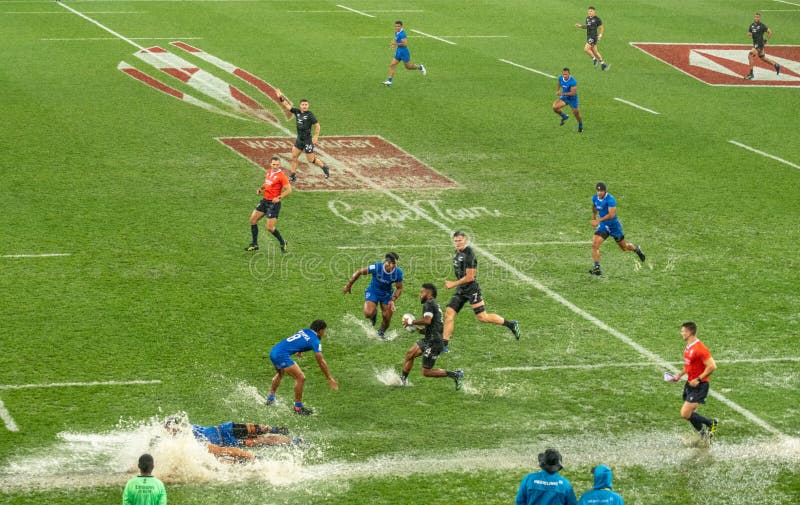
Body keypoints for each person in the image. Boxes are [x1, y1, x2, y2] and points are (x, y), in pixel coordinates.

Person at [443, 231, 520, 350]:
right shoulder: (457, 253)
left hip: (471, 289)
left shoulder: (469, 255)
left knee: (483, 317)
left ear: (465, 240)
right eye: (456, 241)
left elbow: (470, 277)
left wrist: (453, 283)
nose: (457, 243)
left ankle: (511, 325)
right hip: (461, 289)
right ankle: (444, 345)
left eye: (460, 240)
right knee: (449, 313)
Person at [265, 320, 338, 415]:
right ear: (320, 331)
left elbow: (297, 341)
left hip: (274, 351)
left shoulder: (305, 331)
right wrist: (329, 378)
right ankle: (298, 408)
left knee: (281, 373)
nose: (324, 333)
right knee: (300, 377)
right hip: (281, 355)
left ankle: (271, 398)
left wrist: (298, 350)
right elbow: (321, 361)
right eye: (324, 331)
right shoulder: (315, 341)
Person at [400, 283, 464, 390]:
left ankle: (456, 375)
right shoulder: (434, 304)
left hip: (434, 343)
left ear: (428, 293)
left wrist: (411, 321)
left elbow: (427, 321)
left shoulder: (429, 304)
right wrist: (419, 330)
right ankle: (403, 380)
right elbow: (435, 326)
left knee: (426, 372)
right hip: (430, 339)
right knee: (410, 354)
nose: (420, 295)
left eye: (422, 292)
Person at [667, 322, 719, 440]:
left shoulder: (700, 349)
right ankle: (703, 435)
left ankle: (711, 423)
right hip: (690, 383)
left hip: (700, 385)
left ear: (690, 332)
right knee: (691, 414)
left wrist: (698, 379)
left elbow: (712, 366)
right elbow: (689, 366)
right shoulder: (689, 346)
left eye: (683, 331)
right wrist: (678, 375)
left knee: (685, 413)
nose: (681, 333)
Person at [163, 417, 293, 461]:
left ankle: (276, 430)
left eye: (171, 429)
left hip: (225, 429)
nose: (171, 432)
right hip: (228, 441)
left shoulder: (188, 429)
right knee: (259, 440)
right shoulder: (185, 443)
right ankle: (291, 442)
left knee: (261, 429)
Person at [589, 182, 645, 276]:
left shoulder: (610, 199)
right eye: (598, 191)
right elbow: (594, 206)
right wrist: (594, 217)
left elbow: (611, 215)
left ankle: (636, 249)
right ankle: (597, 268)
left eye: (601, 191)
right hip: (604, 226)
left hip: (614, 226)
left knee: (624, 247)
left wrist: (598, 220)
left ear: (605, 191)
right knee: (595, 244)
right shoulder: (595, 198)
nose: (599, 193)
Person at [343, 252, 404, 338]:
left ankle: (381, 332)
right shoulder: (377, 267)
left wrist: (393, 300)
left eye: (395, 263)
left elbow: (399, 288)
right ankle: (374, 314)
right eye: (392, 263)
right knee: (368, 313)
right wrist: (349, 285)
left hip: (386, 295)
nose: (394, 266)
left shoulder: (398, 272)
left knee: (387, 318)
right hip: (373, 291)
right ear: (387, 262)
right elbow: (359, 271)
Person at [274, 89, 330, 181]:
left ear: (308, 106)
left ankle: (324, 167)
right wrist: (280, 97)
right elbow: (287, 106)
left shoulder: (310, 115)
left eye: (306, 105)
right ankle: (293, 175)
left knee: (311, 160)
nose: (304, 106)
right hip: (299, 140)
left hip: (308, 141)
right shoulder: (297, 112)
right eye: (303, 105)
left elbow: (317, 126)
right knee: (294, 156)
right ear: (300, 106)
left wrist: (316, 136)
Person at [244, 155, 291, 253]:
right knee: (253, 220)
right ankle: (254, 244)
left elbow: (289, 190)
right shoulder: (269, 172)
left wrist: (279, 197)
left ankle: (283, 242)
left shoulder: (281, 176)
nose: (275, 166)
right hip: (265, 201)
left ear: (279, 165)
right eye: (274, 164)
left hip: (273, 204)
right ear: (271, 164)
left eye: (277, 165)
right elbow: (267, 183)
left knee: (269, 228)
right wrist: (261, 188)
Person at [383, 20, 427, 86]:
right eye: (396, 26)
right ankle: (389, 81)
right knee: (392, 64)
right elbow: (395, 38)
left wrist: (395, 44)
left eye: (398, 26)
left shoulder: (402, 34)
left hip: (404, 52)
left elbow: (404, 44)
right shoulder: (397, 32)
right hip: (399, 51)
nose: (397, 27)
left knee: (408, 67)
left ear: (401, 26)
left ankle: (420, 67)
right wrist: (393, 44)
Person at [744, 12, 781, 80]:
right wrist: (749, 33)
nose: (756, 18)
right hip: (755, 44)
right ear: (754, 17)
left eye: (757, 17)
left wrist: (766, 40)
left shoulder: (762, 26)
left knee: (750, 55)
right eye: (755, 17)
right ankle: (776, 65)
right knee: (762, 57)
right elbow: (749, 33)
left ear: (759, 18)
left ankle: (751, 74)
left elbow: (769, 32)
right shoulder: (752, 25)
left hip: (760, 44)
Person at [575, 6, 608, 70]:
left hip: (593, 37)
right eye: (589, 11)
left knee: (586, 49)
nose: (589, 12)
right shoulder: (587, 18)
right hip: (589, 36)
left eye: (591, 11)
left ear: (594, 12)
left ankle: (595, 59)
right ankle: (603, 63)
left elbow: (602, 28)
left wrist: (600, 35)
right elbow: (587, 26)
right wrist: (580, 26)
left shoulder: (597, 19)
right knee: (595, 51)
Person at [553, 68, 583, 133]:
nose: (564, 76)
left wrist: (562, 93)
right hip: (564, 97)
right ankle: (564, 116)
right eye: (563, 74)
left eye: (566, 74)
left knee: (576, 113)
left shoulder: (573, 81)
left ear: (569, 74)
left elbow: (573, 93)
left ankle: (580, 125)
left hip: (572, 99)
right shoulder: (560, 78)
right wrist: (558, 90)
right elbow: (559, 83)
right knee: (555, 107)